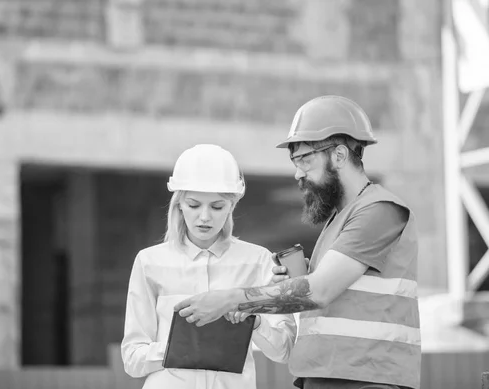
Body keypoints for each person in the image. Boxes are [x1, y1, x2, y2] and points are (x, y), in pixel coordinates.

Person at [175, 96, 421, 389]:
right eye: (295, 161)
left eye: (305, 159)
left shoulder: (379, 210)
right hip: (329, 375)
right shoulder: (340, 219)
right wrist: (298, 278)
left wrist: (229, 299)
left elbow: (319, 291)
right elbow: (326, 291)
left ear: (340, 156)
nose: (297, 173)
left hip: (367, 377)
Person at [121, 144, 296, 389]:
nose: (205, 217)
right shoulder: (150, 262)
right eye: (194, 205)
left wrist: (254, 320)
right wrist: (181, 349)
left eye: (217, 207)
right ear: (179, 203)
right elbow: (132, 359)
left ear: (232, 205)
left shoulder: (258, 262)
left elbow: (283, 349)